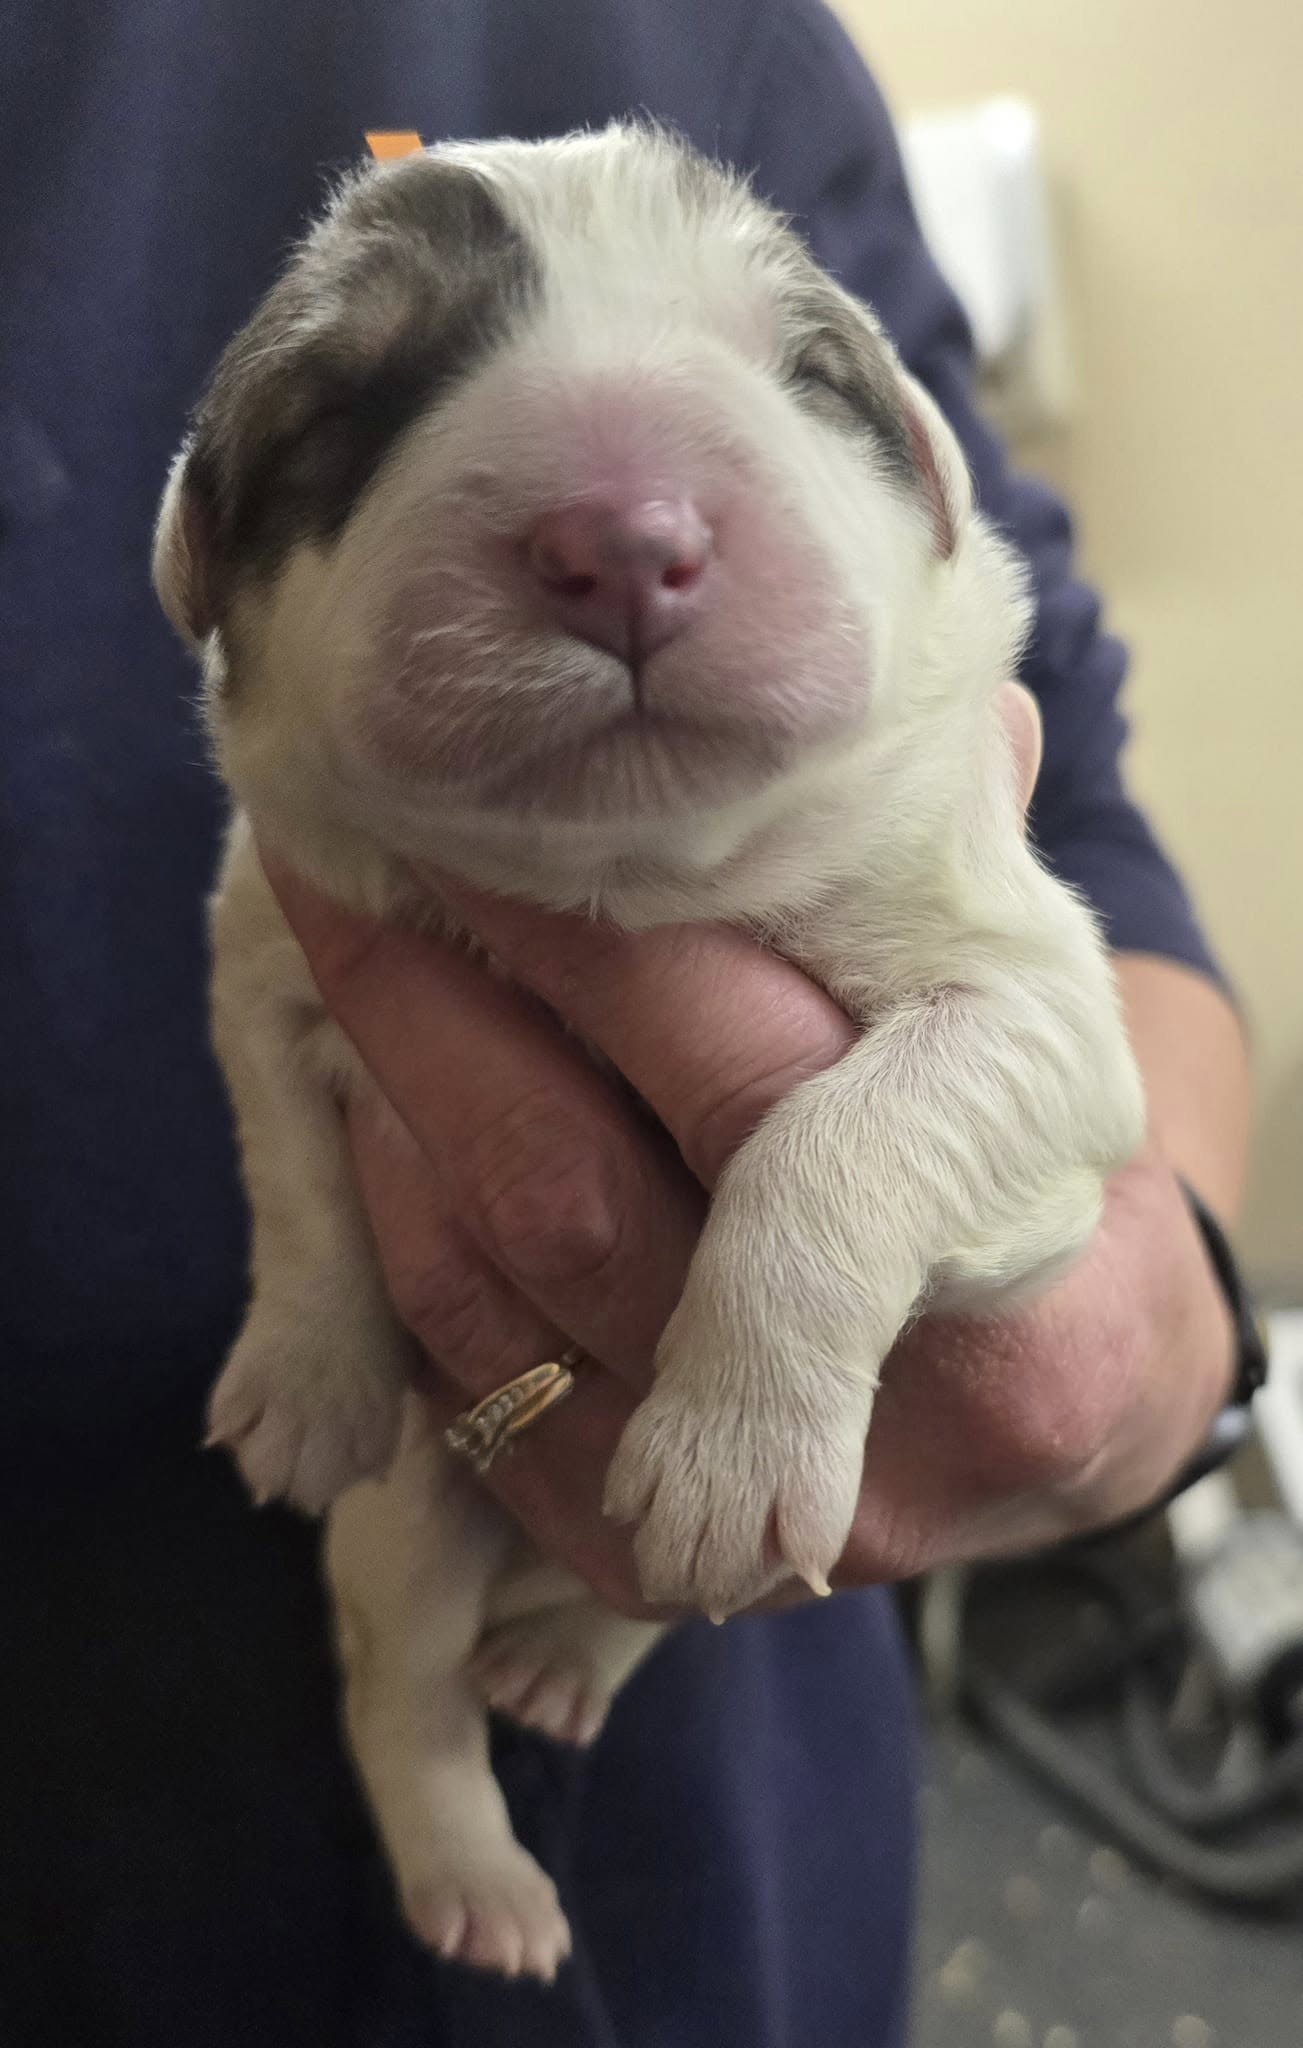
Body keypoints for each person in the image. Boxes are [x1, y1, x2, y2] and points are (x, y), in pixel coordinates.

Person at [0, 1, 1250, 2043]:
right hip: (103, 1774)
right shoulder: (299, 858)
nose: (622, 531)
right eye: (363, 412)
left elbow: (1082, 894)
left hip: (718, 1810)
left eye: (788, 373)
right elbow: (276, 1031)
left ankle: (585, 1635)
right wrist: (327, 1310)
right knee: (409, 1566)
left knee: (664, 1555)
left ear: (928, 501)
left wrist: (1134, 1351)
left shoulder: (716, 40)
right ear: (203, 572)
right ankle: (429, 1758)